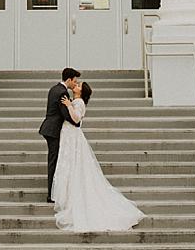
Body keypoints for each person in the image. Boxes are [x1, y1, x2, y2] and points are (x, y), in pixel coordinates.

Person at [51, 77, 145, 232]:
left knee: (73, 164)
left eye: (79, 85)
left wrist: (68, 106)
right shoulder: (76, 101)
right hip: (68, 136)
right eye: (77, 82)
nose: (76, 85)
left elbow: (76, 119)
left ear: (82, 91)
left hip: (73, 136)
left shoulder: (79, 103)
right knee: (68, 163)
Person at [37, 67, 78, 203]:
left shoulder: (54, 88)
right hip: (53, 130)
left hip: (48, 128)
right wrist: (77, 121)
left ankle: (53, 191)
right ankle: (51, 194)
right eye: (74, 81)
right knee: (53, 161)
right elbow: (65, 114)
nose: (75, 84)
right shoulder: (62, 92)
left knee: (53, 160)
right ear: (69, 79)